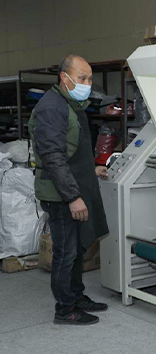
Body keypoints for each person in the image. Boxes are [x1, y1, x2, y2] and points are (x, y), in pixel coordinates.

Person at [28, 55, 110, 326]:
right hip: (60, 194)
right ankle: (65, 309)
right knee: (66, 253)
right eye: (82, 78)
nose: (87, 84)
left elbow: (71, 150)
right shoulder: (51, 108)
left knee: (76, 250)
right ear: (64, 78)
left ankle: (76, 297)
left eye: (90, 79)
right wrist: (73, 197)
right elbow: (53, 158)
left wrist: (90, 170)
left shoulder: (70, 104)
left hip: (72, 186)